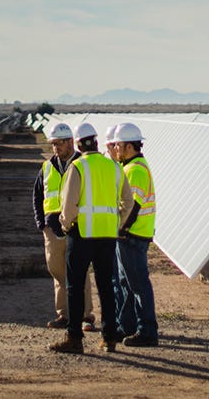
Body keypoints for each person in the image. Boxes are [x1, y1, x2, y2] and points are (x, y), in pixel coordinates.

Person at [49, 122, 133, 355]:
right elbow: (128, 202)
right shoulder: (113, 167)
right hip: (107, 236)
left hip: (82, 235)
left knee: (74, 287)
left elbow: (69, 205)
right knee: (106, 287)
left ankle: (74, 338)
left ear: (77, 143)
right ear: (96, 141)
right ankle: (109, 338)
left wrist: (66, 226)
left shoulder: (77, 167)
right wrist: (118, 224)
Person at [32, 121, 95, 331]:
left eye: (59, 143)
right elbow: (38, 195)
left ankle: (86, 316)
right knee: (57, 271)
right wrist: (42, 224)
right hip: (52, 230)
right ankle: (64, 315)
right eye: (53, 144)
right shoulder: (47, 167)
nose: (56, 147)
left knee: (79, 271)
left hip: (77, 228)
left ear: (70, 142)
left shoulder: (82, 164)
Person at [111, 122, 158, 346]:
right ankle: (126, 326)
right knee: (126, 284)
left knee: (138, 284)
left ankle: (147, 331)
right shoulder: (131, 167)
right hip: (132, 235)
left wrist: (121, 230)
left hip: (133, 236)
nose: (116, 149)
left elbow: (132, 207)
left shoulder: (135, 170)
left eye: (119, 145)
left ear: (129, 146)